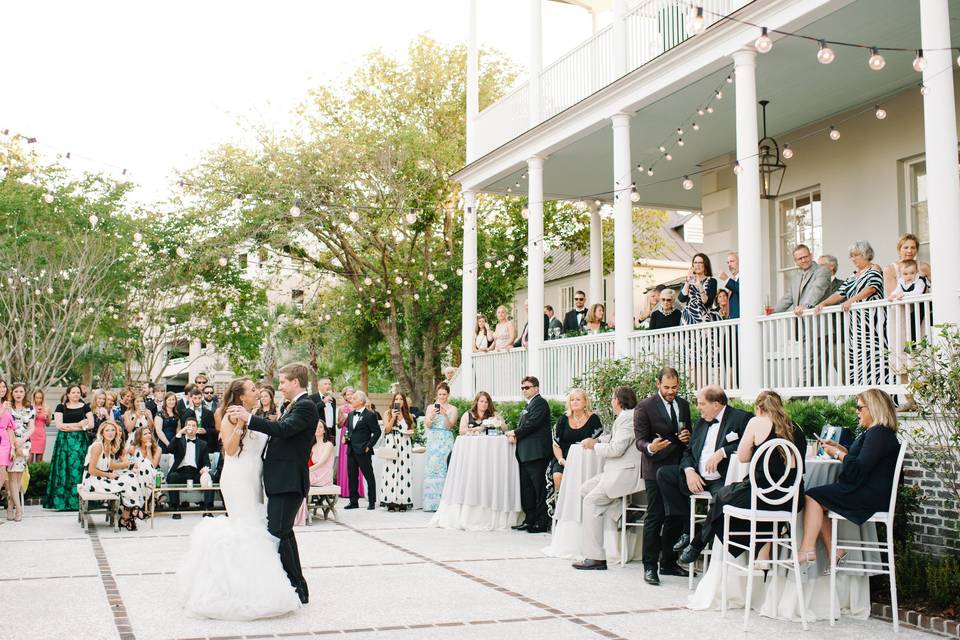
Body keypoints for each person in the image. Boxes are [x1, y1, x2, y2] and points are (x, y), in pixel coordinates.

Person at [177, 377, 302, 620]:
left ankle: (253, 580)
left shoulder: (256, 415)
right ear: (241, 395)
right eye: (253, 389)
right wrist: (239, 425)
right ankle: (239, 588)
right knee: (245, 526)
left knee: (255, 524)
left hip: (254, 477)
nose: (258, 392)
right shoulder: (231, 415)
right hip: (236, 478)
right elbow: (231, 450)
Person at [225, 363, 318, 605]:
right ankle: (297, 586)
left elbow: (284, 429)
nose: (280, 386)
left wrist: (250, 419)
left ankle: (294, 586)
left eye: (283, 382)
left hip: (289, 482)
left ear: (295, 382)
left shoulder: (306, 406)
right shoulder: (293, 405)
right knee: (283, 533)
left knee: (277, 533)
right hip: (278, 481)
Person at [798, 389, 901, 570]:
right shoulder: (879, 433)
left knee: (812, 496)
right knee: (816, 497)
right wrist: (840, 448)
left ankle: (809, 549)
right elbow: (864, 461)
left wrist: (837, 454)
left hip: (868, 494)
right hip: (868, 490)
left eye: (860, 407)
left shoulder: (878, 433)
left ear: (873, 408)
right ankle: (834, 551)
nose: (856, 411)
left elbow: (858, 469)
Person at [705, 390, 806, 564]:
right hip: (792, 499)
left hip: (763, 495)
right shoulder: (797, 427)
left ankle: (709, 544)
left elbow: (743, 457)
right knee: (758, 502)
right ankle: (763, 555)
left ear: (759, 408)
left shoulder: (756, 421)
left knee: (721, 497)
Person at [655, 385, 753, 565]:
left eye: (701, 403)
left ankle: (697, 543)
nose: (698, 407)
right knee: (663, 474)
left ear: (716, 404)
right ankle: (687, 528)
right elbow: (688, 453)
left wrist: (723, 451)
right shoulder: (701, 422)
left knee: (721, 502)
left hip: (720, 479)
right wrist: (690, 471)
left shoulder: (741, 418)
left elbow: (752, 444)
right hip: (697, 477)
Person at [572, 386, 642, 570]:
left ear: (618, 401)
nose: (611, 401)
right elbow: (616, 438)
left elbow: (616, 450)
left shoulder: (627, 418)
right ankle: (621, 511)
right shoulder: (627, 417)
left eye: (612, 398)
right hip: (614, 471)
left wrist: (593, 447)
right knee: (584, 489)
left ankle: (595, 557)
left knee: (590, 502)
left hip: (623, 473)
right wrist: (598, 440)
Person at [633, 367, 692, 585]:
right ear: (658, 383)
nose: (671, 391)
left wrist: (687, 436)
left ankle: (669, 563)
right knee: (655, 516)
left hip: (677, 468)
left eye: (674, 387)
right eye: (666, 387)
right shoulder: (644, 407)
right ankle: (650, 567)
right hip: (655, 468)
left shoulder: (684, 405)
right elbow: (639, 440)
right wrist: (651, 447)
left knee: (675, 516)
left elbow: (688, 433)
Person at [814, 241, 886, 385]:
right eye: (851, 256)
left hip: (872, 325)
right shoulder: (853, 276)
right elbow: (840, 294)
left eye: (857, 255)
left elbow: (872, 288)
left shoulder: (874, 270)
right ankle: (862, 401)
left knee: (874, 362)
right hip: (856, 328)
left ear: (866, 254)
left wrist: (851, 300)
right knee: (857, 364)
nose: (853, 259)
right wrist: (822, 303)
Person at [507, 376, 552, 533]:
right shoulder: (530, 404)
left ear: (536, 388)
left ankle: (541, 522)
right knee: (527, 490)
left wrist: (515, 433)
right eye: (522, 388)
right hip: (525, 454)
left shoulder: (540, 403)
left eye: (527, 387)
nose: (524, 390)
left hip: (537, 454)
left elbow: (532, 424)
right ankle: (529, 519)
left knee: (539, 489)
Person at [81, 421, 146, 531]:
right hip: (92, 481)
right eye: (107, 430)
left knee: (131, 475)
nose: (110, 433)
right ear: (101, 432)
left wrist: (126, 465)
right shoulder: (97, 446)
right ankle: (131, 512)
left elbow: (110, 465)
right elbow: (91, 470)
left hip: (102, 477)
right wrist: (109, 475)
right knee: (129, 480)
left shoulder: (108, 445)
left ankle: (128, 514)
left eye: (112, 430)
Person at [43, 385, 92, 511]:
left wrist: (70, 427)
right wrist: (80, 425)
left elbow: (91, 424)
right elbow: (59, 426)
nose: (76, 394)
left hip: (81, 442)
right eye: (73, 392)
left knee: (80, 468)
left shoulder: (85, 406)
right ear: (68, 394)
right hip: (64, 442)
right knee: (64, 468)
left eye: (78, 392)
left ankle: (80, 500)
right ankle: (63, 502)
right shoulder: (61, 407)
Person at [549, 389, 602, 494]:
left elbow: (598, 441)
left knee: (581, 481)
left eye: (578, 399)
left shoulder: (593, 419)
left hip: (585, 459)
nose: (574, 402)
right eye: (572, 400)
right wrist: (561, 460)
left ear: (585, 402)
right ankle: (564, 506)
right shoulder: (563, 419)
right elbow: (556, 445)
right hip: (565, 458)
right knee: (557, 475)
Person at [166, 417, 215, 519]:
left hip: (196, 472)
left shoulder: (203, 444)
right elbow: (170, 448)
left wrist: (205, 470)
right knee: (172, 477)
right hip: (181, 472)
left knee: (210, 478)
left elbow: (206, 462)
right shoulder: (179, 441)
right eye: (189, 425)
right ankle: (176, 509)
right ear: (185, 427)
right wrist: (180, 433)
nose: (191, 428)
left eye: (194, 426)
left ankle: (207, 509)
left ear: (197, 428)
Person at [422, 382, 458, 512]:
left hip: (446, 440)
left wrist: (444, 414)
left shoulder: (453, 408)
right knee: (432, 469)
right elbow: (428, 424)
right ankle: (431, 503)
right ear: (436, 395)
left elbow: (449, 426)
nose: (442, 397)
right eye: (439, 394)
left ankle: (445, 502)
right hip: (433, 440)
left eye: (444, 394)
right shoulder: (431, 407)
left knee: (445, 468)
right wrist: (431, 416)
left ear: (448, 395)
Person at [343, 389, 381, 510]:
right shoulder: (350, 415)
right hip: (351, 450)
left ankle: (371, 502)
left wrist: (369, 446)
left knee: (368, 476)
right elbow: (349, 430)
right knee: (352, 476)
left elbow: (377, 432)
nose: (351, 400)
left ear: (360, 401)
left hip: (363, 450)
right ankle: (353, 501)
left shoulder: (370, 415)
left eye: (353, 398)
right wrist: (346, 438)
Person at [294, 421, 336, 526]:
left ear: (325, 430)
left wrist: (305, 471)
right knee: (295, 477)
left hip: (324, 475)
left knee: (299, 478)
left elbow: (321, 463)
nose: (318, 429)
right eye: (316, 427)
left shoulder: (328, 445)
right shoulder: (313, 446)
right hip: (314, 473)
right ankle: (295, 512)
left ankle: (299, 514)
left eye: (321, 427)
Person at [381, 392, 415, 512]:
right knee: (391, 471)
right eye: (397, 398)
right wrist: (394, 417)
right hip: (392, 443)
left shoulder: (409, 415)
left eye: (401, 399)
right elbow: (387, 429)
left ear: (404, 401)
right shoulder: (388, 413)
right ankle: (391, 501)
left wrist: (409, 432)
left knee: (403, 472)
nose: (399, 401)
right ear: (393, 401)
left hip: (405, 445)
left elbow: (412, 431)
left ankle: (402, 501)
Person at [774, 244, 831, 314]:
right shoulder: (795, 277)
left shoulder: (822, 271)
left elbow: (817, 290)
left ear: (811, 255)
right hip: (800, 321)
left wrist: (804, 306)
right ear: (795, 261)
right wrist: (772, 310)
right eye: (800, 258)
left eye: (805, 257)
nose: (803, 260)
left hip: (818, 319)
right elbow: (788, 298)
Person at [7, 384, 35, 519]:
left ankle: (10, 508)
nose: (18, 394)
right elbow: (6, 427)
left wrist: (22, 440)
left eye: (21, 391)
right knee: (12, 477)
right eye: (16, 391)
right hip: (10, 444)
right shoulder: (7, 407)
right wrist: (14, 444)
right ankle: (18, 509)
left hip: (24, 444)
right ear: (12, 393)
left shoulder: (30, 408)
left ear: (25, 393)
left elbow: (31, 427)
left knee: (18, 478)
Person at [882, 232, 932, 298]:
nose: (909, 251)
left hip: (922, 306)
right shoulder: (890, 269)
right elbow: (894, 295)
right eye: (906, 247)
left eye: (913, 247)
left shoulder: (923, 266)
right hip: (900, 306)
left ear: (917, 250)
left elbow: (939, 284)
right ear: (899, 249)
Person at [337, 386, 364, 500]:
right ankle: (345, 489)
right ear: (345, 396)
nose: (350, 396)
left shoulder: (359, 408)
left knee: (357, 460)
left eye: (352, 393)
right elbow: (339, 424)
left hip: (357, 434)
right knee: (346, 460)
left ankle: (358, 490)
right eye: (348, 394)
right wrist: (344, 419)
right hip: (346, 433)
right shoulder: (341, 408)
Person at [678, 253, 718, 325]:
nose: (697, 265)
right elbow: (681, 299)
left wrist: (700, 286)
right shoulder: (687, 280)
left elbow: (708, 303)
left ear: (705, 265)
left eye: (700, 262)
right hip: (688, 319)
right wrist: (688, 281)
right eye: (695, 262)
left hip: (704, 319)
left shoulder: (712, 281)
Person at [128, 425, 161, 498]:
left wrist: (148, 449)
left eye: (149, 433)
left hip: (153, 474)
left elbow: (153, 466)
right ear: (139, 437)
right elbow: (128, 464)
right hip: (136, 474)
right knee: (140, 472)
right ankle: (156, 494)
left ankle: (144, 500)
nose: (148, 435)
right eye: (145, 434)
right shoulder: (133, 448)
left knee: (146, 466)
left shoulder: (157, 449)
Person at [182, 387, 218, 454]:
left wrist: (206, 431)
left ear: (202, 398)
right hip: (190, 444)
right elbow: (182, 425)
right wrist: (191, 409)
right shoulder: (186, 412)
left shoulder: (209, 413)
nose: (197, 401)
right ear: (191, 399)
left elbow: (213, 430)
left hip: (206, 444)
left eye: (199, 398)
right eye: (195, 398)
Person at [719, 252, 740, 319]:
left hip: (741, 321)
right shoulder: (734, 280)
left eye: (732, 261)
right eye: (728, 263)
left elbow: (742, 290)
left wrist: (727, 279)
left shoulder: (744, 276)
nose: (729, 265)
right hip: (733, 322)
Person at [30, 389, 47, 462]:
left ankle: (38, 473)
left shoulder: (46, 408)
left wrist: (48, 416)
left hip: (41, 434)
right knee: (29, 458)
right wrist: (34, 413)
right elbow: (27, 421)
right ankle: (28, 473)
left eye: (40, 398)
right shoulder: (30, 408)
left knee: (39, 459)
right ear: (34, 398)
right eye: (37, 398)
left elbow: (48, 423)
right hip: (31, 434)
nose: (38, 400)